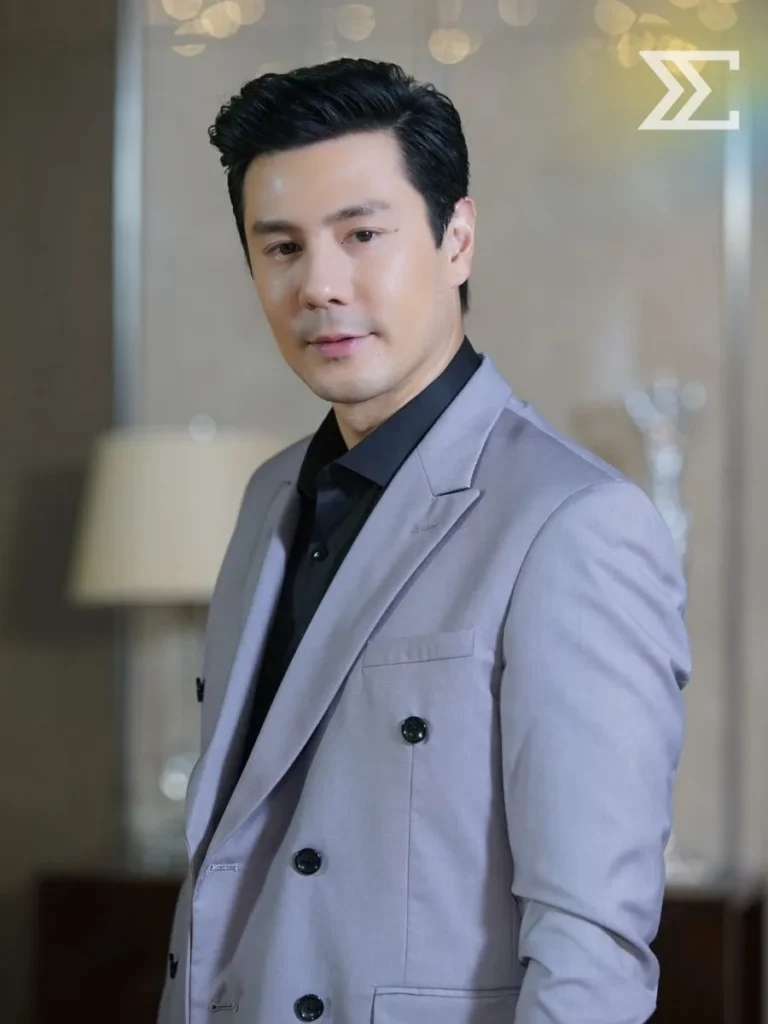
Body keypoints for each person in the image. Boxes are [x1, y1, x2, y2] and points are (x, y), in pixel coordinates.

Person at [157, 58, 691, 1024]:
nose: (320, 285)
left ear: (457, 239)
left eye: (362, 234)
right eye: (281, 247)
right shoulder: (267, 496)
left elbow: (593, 950)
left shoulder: (573, 523)